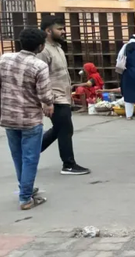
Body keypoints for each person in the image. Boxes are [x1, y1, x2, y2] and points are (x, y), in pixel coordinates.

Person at [2, 28, 52, 210]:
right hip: (30, 118)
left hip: (8, 116)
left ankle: (25, 188)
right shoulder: (39, 65)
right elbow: (45, 95)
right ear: (40, 46)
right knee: (30, 158)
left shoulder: (4, 59)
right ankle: (25, 198)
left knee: (18, 156)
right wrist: (49, 103)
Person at [38, 16, 90, 175]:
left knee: (59, 129)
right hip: (54, 97)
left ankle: (30, 152)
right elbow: (40, 77)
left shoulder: (58, 48)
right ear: (48, 31)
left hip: (63, 96)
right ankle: (68, 164)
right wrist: (46, 102)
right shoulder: (43, 51)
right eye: (59, 29)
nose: (63, 31)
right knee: (65, 129)